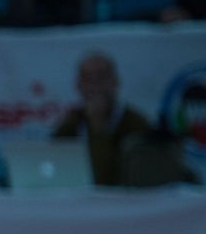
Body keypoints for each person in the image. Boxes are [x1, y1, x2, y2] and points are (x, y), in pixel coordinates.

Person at [52, 51, 153, 187]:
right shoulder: (72, 121)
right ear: (78, 85)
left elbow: (104, 180)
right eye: (87, 78)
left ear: (115, 81)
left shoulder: (137, 124)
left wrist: (98, 126)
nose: (95, 85)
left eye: (101, 77)